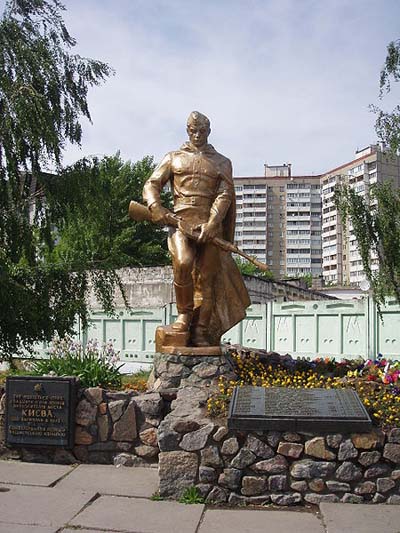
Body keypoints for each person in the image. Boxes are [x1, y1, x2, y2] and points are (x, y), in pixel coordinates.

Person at [143, 111, 250, 347]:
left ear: (208, 131)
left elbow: (225, 194)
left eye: (202, 130)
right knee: (182, 263)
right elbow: (152, 184)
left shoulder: (222, 162)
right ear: (187, 130)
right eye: (193, 130)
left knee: (207, 279)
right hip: (179, 223)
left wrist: (213, 223)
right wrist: (154, 206)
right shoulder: (173, 157)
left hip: (209, 227)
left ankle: (201, 330)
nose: (197, 134)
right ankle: (184, 316)